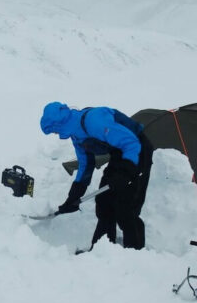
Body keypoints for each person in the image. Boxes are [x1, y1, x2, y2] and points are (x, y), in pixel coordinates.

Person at [40, 102, 154, 250]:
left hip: (137, 151)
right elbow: (86, 164)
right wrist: (73, 197)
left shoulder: (93, 122)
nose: (56, 134)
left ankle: (134, 253)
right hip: (120, 153)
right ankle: (103, 250)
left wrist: (126, 172)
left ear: (60, 123)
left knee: (126, 207)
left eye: (55, 131)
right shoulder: (77, 135)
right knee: (104, 200)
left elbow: (131, 143)